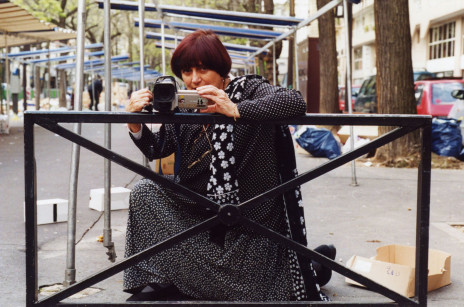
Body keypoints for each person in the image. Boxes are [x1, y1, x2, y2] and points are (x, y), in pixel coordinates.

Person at [124, 29, 333, 302]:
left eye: (203, 68)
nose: (194, 79)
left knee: (273, 284)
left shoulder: (247, 89)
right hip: (198, 214)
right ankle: (165, 279)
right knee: (144, 192)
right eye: (186, 71)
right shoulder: (187, 104)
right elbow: (158, 148)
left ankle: (313, 267)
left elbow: (294, 101)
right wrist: (134, 123)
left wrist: (235, 109)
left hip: (248, 224)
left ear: (222, 70)